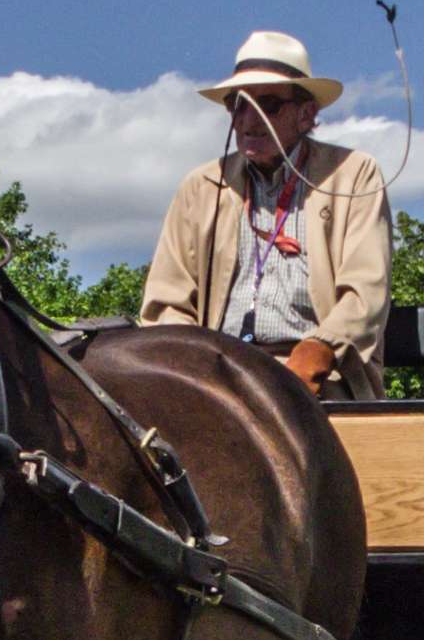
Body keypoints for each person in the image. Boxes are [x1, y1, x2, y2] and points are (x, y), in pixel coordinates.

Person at [140, 30, 391, 397]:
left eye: (268, 105)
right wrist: (195, 366)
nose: (248, 119)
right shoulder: (201, 186)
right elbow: (166, 304)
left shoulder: (353, 174)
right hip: (219, 376)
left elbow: (364, 293)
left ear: (306, 114)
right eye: (238, 104)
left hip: (320, 377)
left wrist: (320, 348)